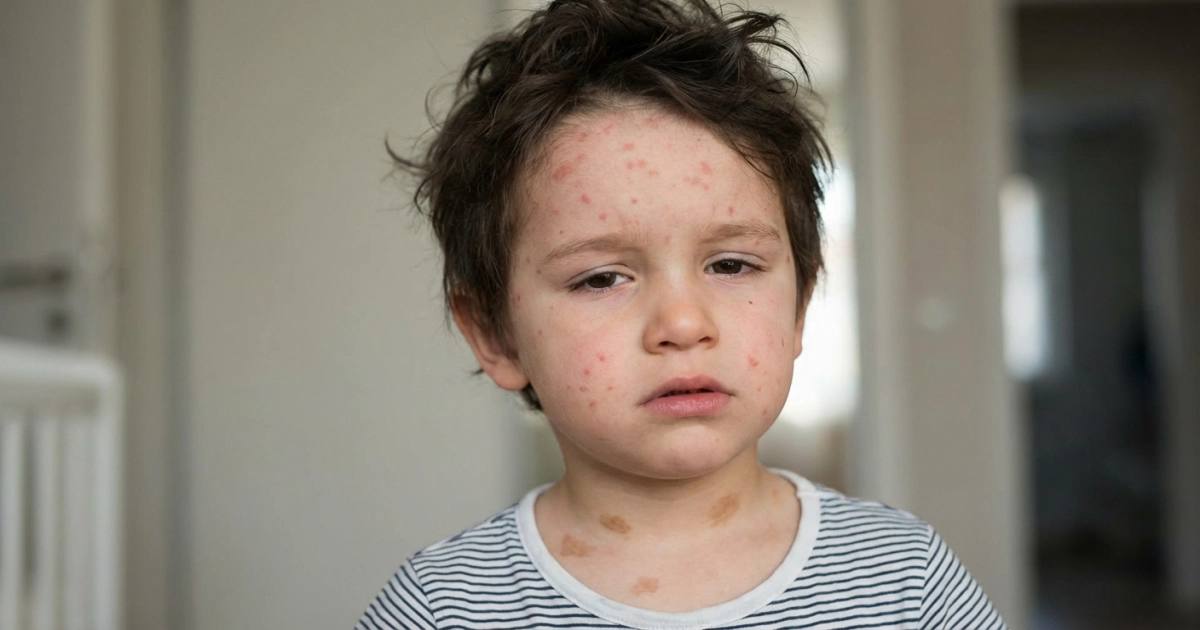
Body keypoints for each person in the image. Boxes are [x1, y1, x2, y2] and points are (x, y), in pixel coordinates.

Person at [356, 1, 1007, 628]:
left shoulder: (904, 577)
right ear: (495, 335)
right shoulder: (442, 606)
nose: (683, 323)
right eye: (602, 277)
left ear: (801, 304)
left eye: (731, 265)